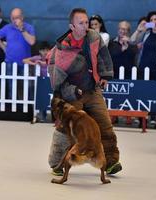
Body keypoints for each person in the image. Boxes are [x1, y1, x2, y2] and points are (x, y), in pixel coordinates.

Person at [47, 8, 122, 176]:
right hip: (71, 94)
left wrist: (105, 76)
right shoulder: (61, 49)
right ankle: (57, 165)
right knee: (66, 130)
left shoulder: (94, 37)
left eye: (87, 22)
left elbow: (103, 56)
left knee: (105, 126)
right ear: (72, 26)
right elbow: (55, 82)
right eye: (81, 23)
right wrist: (73, 91)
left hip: (93, 90)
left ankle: (109, 163)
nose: (86, 26)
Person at [130, 11, 156, 131]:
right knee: (143, 95)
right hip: (144, 69)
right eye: (152, 19)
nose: (154, 21)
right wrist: (138, 29)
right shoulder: (146, 34)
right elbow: (132, 41)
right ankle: (143, 120)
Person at [0, 8, 36, 99]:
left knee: (29, 86)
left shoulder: (28, 27)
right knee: (11, 86)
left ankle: (29, 108)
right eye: (12, 18)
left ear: (22, 17)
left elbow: (32, 42)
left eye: (16, 17)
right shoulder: (8, 27)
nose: (14, 20)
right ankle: (13, 109)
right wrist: (4, 47)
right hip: (10, 61)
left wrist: (22, 29)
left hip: (25, 62)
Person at [23, 41, 51, 122]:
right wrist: (34, 64)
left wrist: (41, 63)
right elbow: (24, 60)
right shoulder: (37, 57)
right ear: (39, 51)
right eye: (43, 50)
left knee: (47, 99)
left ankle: (45, 115)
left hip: (49, 81)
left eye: (47, 50)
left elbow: (50, 63)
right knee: (40, 98)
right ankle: (41, 115)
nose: (45, 52)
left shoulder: (51, 57)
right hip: (39, 82)